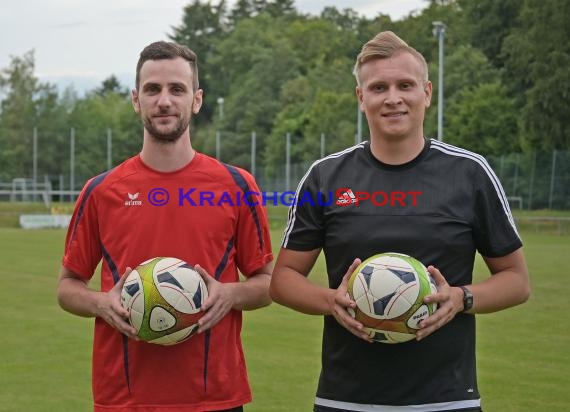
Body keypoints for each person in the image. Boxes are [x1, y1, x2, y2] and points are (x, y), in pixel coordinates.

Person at [269, 31, 530, 412]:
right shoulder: (326, 177)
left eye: (405, 85)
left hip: (446, 400)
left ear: (426, 92)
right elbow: (283, 280)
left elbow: (517, 281)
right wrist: (332, 300)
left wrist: (461, 298)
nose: (393, 98)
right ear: (362, 98)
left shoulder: (469, 173)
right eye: (378, 87)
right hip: (346, 399)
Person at [57, 41, 273, 412]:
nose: (164, 101)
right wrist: (100, 302)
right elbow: (67, 286)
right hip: (124, 398)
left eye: (177, 89)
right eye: (152, 89)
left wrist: (229, 294)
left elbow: (268, 282)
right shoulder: (101, 191)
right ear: (135, 100)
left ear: (197, 99)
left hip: (214, 398)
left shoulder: (236, 185)